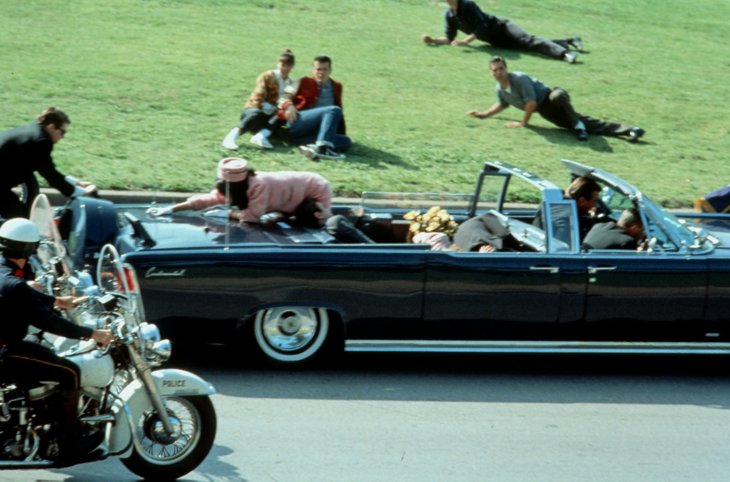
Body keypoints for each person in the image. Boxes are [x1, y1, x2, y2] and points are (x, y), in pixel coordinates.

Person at [0, 218, 114, 463]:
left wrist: (56, 301)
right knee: (70, 372)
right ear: (29, 248)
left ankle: (43, 423)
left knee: (44, 352)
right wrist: (92, 334)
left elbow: (21, 294)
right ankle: (67, 444)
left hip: (7, 345)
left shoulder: (7, 274)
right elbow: (50, 323)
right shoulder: (15, 284)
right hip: (7, 351)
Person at [468, 56, 646, 142]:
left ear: (506, 68)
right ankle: (630, 131)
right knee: (582, 123)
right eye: (495, 70)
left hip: (550, 96)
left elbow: (531, 102)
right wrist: (484, 114)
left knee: (559, 97)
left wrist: (523, 123)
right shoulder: (500, 89)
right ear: (491, 72)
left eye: (501, 68)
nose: (499, 72)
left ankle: (580, 127)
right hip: (545, 111)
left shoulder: (519, 78)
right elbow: (502, 104)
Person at [147, 157, 332, 224]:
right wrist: (171, 209)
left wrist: (228, 214)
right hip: (294, 196)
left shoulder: (259, 185)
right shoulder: (236, 187)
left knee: (317, 221)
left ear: (236, 187)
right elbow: (209, 199)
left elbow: (253, 216)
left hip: (315, 190)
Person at [0, 107, 97, 220]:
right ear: (51, 127)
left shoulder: (35, 131)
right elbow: (50, 175)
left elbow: (47, 169)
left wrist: (77, 183)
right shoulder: (42, 141)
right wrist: (80, 193)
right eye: (62, 131)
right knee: (19, 219)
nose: (63, 136)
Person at [422, 0, 582, 63]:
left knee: (528, 40)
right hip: (496, 41)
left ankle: (565, 54)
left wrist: (466, 41)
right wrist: (433, 40)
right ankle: (569, 41)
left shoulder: (468, 5)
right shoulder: (449, 15)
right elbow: (449, 38)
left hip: (503, 27)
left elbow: (482, 26)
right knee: (529, 46)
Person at [278, 55, 351, 161]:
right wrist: (289, 106)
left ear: (330, 70)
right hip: (298, 122)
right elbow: (283, 97)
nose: (321, 72)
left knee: (345, 141)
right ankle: (323, 148)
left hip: (315, 132)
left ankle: (311, 146)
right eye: (318, 69)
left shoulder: (337, 86)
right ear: (313, 70)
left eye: (325, 69)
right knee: (333, 110)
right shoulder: (303, 81)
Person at [222, 49, 297, 150]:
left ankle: (260, 136)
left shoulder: (290, 83)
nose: (285, 68)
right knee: (256, 113)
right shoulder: (267, 76)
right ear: (278, 63)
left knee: (282, 114)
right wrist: (267, 108)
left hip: (270, 118)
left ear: (292, 67)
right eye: (282, 64)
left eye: (288, 65)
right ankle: (231, 136)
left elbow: (287, 101)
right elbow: (257, 97)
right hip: (254, 112)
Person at [294, 198, 375, 243]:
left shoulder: (319, 230)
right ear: (319, 215)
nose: (328, 208)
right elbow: (370, 245)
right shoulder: (336, 221)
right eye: (324, 207)